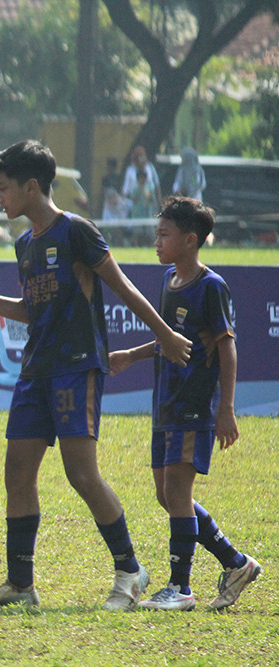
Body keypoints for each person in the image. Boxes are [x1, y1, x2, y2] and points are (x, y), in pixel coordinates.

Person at [0, 140, 192, 611]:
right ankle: (21, 585)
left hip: (76, 367)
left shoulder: (75, 232)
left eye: (3, 188)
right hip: (36, 369)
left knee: (81, 474)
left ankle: (130, 569)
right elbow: (30, 308)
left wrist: (165, 334)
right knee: (16, 471)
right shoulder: (24, 243)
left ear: (31, 186)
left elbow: (122, 286)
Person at [110, 196, 260, 611]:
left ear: (190, 240)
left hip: (194, 404)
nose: (156, 242)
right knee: (167, 494)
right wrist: (131, 355)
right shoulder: (168, 280)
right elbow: (168, 339)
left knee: (177, 489)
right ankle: (236, 563)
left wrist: (226, 409)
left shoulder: (211, 287)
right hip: (167, 402)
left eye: (164, 234)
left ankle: (180, 587)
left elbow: (227, 349)